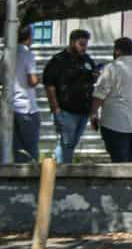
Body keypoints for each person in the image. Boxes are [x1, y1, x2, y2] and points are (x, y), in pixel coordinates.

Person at [90, 37, 132, 164]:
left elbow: (99, 94)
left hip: (115, 123)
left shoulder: (112, 68)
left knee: (118, 161)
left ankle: (122, 184)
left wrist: (93, 113)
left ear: (117, 50)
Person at [42, 29, 97, 164]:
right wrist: (55, 108)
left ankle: (61, 168)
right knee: (65, 143)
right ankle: (61, 172)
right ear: (72, 42)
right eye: (81, 44)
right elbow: (49, 85)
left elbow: (92, 79)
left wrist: (95, 76)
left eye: (86, 45)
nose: (84, 48)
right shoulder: (58, 60)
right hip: (66, 110)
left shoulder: (86, 59)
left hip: (83, 110)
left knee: (72, 143)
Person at [11, 26, 40, 163]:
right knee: (31, 147)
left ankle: (19, 177)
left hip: (11, 107)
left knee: (17, 147)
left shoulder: (8, 53)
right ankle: (31, 177)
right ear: (29, 37)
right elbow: (32, 80)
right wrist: (38, 79)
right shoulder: (28, 54)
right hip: (27, 108)